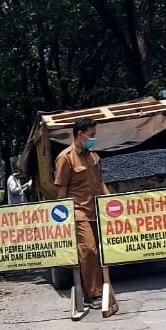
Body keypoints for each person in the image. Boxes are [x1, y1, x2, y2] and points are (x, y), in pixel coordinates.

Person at [54, 117, 108, 309]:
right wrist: (63, 220)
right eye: (91, 135)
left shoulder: (92, 156)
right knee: (89, 251)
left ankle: (95, 289)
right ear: (80, 134)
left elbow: (100, 183)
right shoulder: (65, 158)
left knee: (100, 252)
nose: (94, 138)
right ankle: (93, 295)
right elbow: (61, 192)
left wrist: (109, 201)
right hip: (78, 213)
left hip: (95, 210)